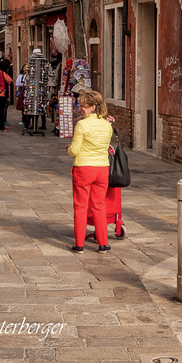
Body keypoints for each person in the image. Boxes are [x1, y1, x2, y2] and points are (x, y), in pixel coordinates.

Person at [67, 89, 114, 253]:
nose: (81, 108)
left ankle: (79, 244)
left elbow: (74, 150)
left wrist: (68, 149)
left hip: (84, 168)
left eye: (84, 106)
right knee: (99, 206)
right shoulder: (107, 125)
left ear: (93, 107)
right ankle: (103, 243)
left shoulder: (82, 124)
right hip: (102, 169)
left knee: (80, 207)